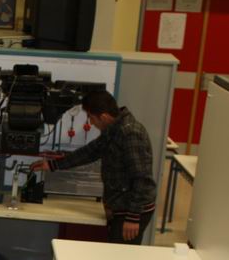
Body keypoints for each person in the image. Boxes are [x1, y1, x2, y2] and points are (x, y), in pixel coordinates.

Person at [30, 90, 157, 244]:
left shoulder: (130, 133)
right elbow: (89, 152)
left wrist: (133, 217)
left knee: (122, 254)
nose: (90, 123)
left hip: (132, 209)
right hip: (121, 207)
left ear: (103, 117)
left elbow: (142, 179)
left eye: (91, 117)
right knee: (115, 251)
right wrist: (52, 164)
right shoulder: (113, 130)